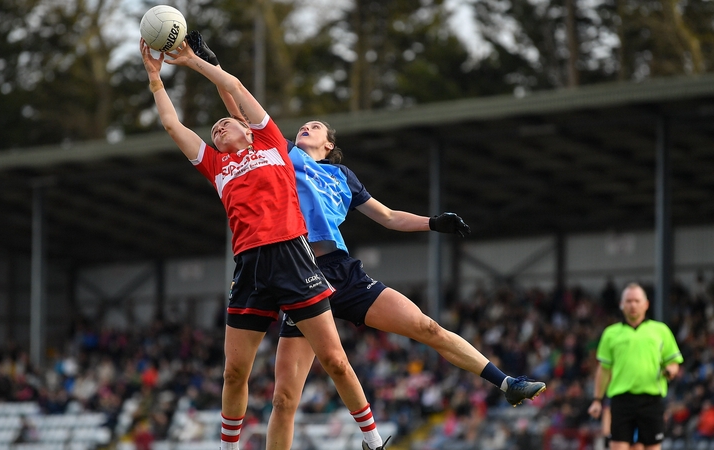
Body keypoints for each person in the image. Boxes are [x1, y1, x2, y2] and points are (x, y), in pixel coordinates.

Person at [183, 31, 547, 450]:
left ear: (330, 144)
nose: (306, 126)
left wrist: (433, 222)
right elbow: (242, 113)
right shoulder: (281, 152)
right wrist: (215, 67)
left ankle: (506, 383)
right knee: (284, 399)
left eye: (315, 126)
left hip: (340, 271)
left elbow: (388, 217)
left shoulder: (344, 177)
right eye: (304, 124)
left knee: (426, 326)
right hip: (295, 270)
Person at [140, 37, 388, 450]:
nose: (219, 125)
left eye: (227, 121)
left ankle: (374, 441)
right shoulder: (214, 164)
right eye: (214, 127)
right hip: (250, 268)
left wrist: (193, 62)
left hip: (294, 258)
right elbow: (171, 124)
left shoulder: (272, 142)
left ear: (247, 128)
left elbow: (234, 88)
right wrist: (154, 78)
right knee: (234, 372)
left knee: (334, 360)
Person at [587, 283, 683, 450]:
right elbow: (604, 370)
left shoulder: (660, 330)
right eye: (629, 301)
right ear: (621, 304)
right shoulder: (611, 333)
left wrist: (671, 371)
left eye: (637, 301)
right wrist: (597, 400)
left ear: (646, 304)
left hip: (651, 400)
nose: (633, 305)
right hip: (621, 400)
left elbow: (673, 362)